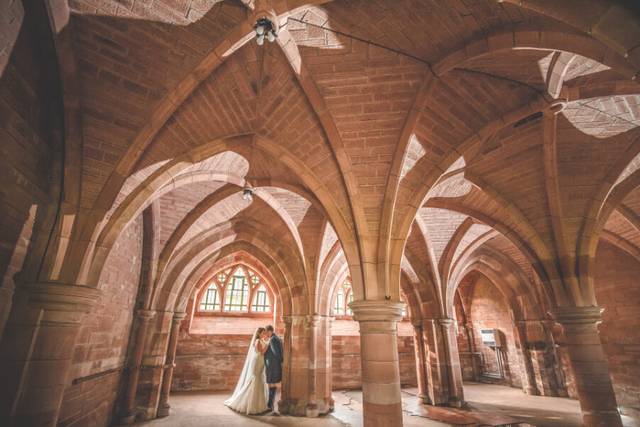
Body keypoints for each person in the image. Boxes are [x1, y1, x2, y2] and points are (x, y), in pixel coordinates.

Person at [224, 327, 270, 414]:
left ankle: (259, 404)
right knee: (256, 379)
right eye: (263, 333)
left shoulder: (262, 340)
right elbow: (262, 352)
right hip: (257, 361)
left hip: (261, 361)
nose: (264, 334)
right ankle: (251, 404)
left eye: (265, 333)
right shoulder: (257, 341)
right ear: (259, 333)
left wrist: (266, 342)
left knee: (260, 380)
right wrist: (268, 344)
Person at [264, 324, 283, 413]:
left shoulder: (273, 339)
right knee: (273, 385)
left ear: (270, 331)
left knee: (272, 385)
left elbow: (277, 353)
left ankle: (270, 405)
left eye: (267, 332)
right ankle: (270, 404)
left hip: (273, 366)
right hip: (274, 365)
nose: (266, 334)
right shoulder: (276, 338)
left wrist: (280, 362)